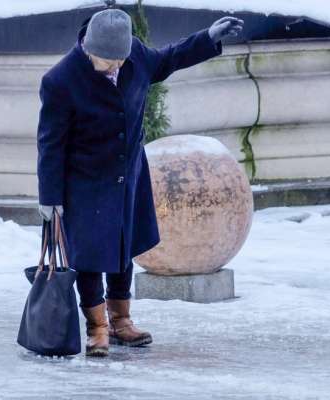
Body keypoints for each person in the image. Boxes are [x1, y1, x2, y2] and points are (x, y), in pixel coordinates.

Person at [36, 6, 243, 357]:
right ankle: (96, 327)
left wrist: (207, 39)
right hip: (84, 180)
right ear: (88, 48)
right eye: (107, 61)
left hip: (127, 172)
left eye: (120, 60)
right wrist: (50, 196)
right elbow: (50, 143)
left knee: (123, 247)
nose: (115, 67)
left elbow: (167, 60)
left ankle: (121, 320)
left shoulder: (135, 55)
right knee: (89, 256)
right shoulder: (60, 80)